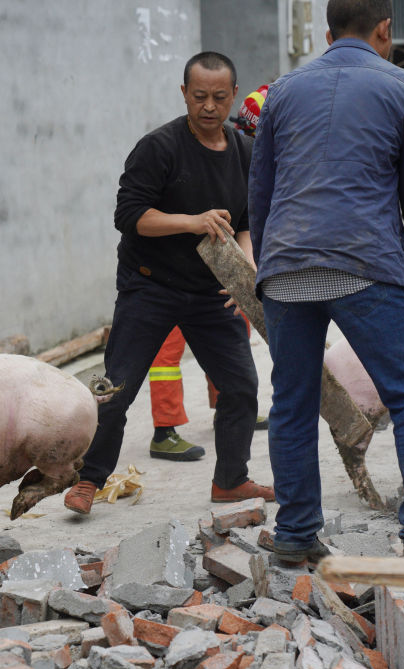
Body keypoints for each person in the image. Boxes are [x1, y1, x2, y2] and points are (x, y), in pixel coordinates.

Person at [249, 0, 404, 563]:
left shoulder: (282, 91)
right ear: (385, 29)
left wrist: (268, 267)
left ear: (328, 33)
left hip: (286, 265)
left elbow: (260, 192)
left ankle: (295, 534)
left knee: (293, 401)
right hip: (365, 263)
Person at [63, 52, 274, 515]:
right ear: (184, 94)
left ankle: (231, 480)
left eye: (219, 97)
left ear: (233, 95)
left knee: (241, 386)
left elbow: (245, 223)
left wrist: (245, 271)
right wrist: (191, 221)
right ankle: (89, 480)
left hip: (210, 292)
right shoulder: (158, 148)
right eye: (199, 96)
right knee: (116, 389)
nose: (209, 106)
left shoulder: (244, 152)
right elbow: (129, 216)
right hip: (150, 286)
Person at [147, 84, 272, 463]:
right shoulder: (202, 151)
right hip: (173, 272)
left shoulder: (243, 152)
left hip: (223, 264)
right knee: (166, 352)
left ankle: (229, 407)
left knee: (230, 337)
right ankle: (164, 431)